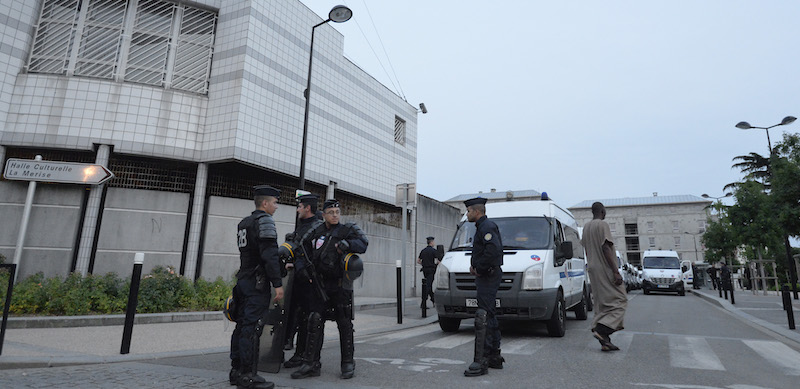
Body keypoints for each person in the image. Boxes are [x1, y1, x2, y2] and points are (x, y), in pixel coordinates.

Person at [291, 199, 368, 380]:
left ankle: (348, 362)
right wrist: (302, 269)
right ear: (323, 214)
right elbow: (301, 249)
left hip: (340, 286)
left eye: (337, 212)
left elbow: (363, 244)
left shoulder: (347, 230)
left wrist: (348, 245)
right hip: (319, 284)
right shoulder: (315, 231)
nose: (335, 215)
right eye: (331, 212)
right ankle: (311, 363)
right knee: (314, 320)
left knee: (344, 323)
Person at [230, 185, 285, 389]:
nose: (276, 207)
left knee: (241, 326)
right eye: (275, 202)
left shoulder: (244, 223)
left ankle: (236, 371)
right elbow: (269, 255)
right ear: (265, 203)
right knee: (252, 328)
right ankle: (248, 376)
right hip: (257, 283)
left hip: (243, 280)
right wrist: (278, 284)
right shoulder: (265, 221)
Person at [463, 197, 504, 377]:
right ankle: (494, 356)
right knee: (490, 314)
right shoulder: (483, 227)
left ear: (477, 212)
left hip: (488, 276)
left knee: (483, 316)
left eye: (469, 211)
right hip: (488, 274)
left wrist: (480, 268)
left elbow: (493, 251)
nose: (467, 214)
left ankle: (481, 361)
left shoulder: (486, 227)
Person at [283, 193, 324, 368]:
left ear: (308, 208)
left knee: (309, 319)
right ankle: (298, 354)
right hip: (298, 280)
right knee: (298, 317)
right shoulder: (302, 226)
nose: (298, 209)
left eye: (300, 206)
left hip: (309, 280)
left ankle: (307, 357)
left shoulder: (317, 227)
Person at [580, 202, 627, 352]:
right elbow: (605, 247)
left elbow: (586, 249)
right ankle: (601, 330)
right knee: (620, 300)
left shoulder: (586, 227)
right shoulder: (602, 225)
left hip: (592, 269)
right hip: (605, 268)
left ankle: (605, 342)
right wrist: (615, 271)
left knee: (601, 303)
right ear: (602, 211)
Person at [417, 236, 438, 308]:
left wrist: (423, 264)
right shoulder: (434, 251)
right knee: (428, 286)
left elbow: (418, 261)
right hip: (431, 270)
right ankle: (424, 302)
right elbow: (438, 261)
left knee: (427, 285)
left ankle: (432, 300)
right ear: (431, 242)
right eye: (433, 242)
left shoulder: (423, 251)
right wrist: (435, 265)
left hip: (425, 270)